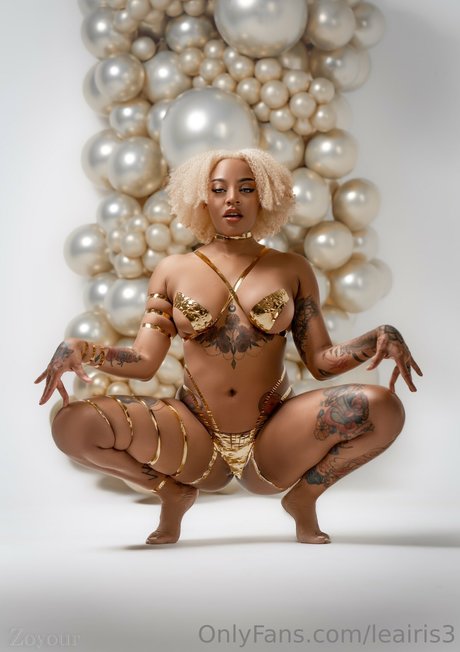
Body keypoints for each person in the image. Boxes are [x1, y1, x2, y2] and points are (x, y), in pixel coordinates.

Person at [35, 148, 422, 545]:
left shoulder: (293, 269)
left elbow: (321, 363)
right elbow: (145, 362)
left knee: (384, 408)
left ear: (265, 197)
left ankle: (304, 498)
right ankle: (171, 494)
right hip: (193, 435)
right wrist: (83, 350)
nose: (232, 199)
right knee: (71, 426)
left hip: (275, 436)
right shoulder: (172, 270)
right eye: (219, 189)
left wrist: (373, 340)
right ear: (203, 200)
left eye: (246, 189)